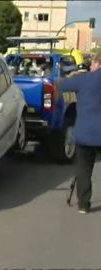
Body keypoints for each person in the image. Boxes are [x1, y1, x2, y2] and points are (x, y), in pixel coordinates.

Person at [56, 53, 101, 214]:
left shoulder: (84, 79)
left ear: (96, 63)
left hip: (86, 133)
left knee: (84, 170)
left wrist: (73, 75)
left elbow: (61, 85)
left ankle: (84, 204)